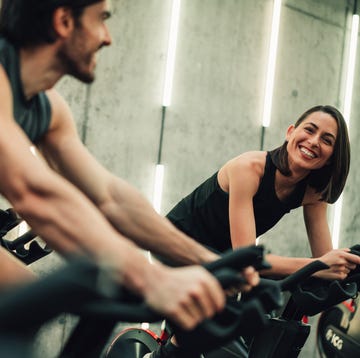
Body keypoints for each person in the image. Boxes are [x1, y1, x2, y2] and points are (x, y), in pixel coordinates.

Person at [0, 0, 260, 331]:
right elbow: (34, 193)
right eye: (101, 20)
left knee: (29, 303)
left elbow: (111, 197)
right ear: (64, 21)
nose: (107, 38)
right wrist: (150, 278)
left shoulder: (47, 108)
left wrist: (210, 262)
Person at [166, 105, 360, 280]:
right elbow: (246, 259)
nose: (314, 141)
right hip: (176, 242)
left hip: (222, 255)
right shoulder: (248, 168)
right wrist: (319, 265)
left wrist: (341, 266)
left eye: (327, 140)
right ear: (290, 132)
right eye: (309, 130)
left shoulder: (314, 193)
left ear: (330, 158)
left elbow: (326, 259)